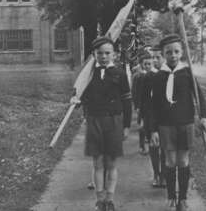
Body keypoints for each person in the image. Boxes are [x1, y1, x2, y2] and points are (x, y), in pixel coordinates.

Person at [71, 36, 132, 211]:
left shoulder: (120, 74)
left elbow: (127, 101)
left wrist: (126, 126)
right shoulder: (88, 74)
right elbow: (80, 95)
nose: (103, 56)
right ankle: (100, 200)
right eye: (100, 53)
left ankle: (110, 199)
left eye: (107, 53)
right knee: (97, 162)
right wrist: (76, 99)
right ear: (94, 54)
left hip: (114, 121)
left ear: (114, 54)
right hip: (94, 120)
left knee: (111, 163)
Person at [151, 34, 206, 211]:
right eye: (169, 52)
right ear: (163, 54)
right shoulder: (158, 76)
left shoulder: (187, 73)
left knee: (183, 161)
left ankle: (182, 199)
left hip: (185, 123)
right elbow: (153, 105)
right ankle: (170, 196)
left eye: (176, 51)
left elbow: (199, 96)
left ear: (182, 52)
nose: (173, 55)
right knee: (170, 160)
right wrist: (153, 129)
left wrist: (204, 117)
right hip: (166, 124)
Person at [139, 47, 167, 188]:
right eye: (153, 58)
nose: (155, 60)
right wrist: (143, 118)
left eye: (158, 57)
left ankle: (164, 175)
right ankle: (156, 173)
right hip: (151, 117)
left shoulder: (169, 75)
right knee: (154, 146)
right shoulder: (148, 76)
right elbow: (144, 100)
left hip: (167, 118)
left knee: (166, 149)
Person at [132, 56, 149, 155]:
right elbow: (135, 91)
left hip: (151, 106)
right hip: (142, 105)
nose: (147, 66)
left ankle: (149, 143)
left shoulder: (154, 75)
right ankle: (142, 146)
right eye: (145, 64)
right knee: (142, 126)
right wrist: (137, 105)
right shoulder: (138, 76)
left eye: (149, 64)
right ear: (141, 64)